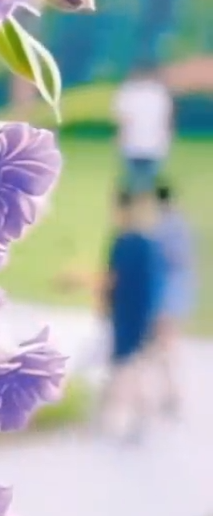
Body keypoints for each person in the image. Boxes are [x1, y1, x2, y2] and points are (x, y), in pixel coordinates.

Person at [99, 190, 166, 442]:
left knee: (124, 364)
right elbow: (153, 285)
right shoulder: (146, 243)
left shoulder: (124, 242)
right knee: (133, 362)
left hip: (126, 312)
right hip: (138, 312)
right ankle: (136, 412)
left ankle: (119, 414)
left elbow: (112, 279)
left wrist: (105, 305)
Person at [152, 182, 195, 415]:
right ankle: (170, 394)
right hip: (179, 294)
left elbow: (163, 261)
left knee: (163, 349)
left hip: (165, 297)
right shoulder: (182, 224)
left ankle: (170, 394)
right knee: (167, 348)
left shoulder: (161, 228)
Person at [112, 63, 173, 192]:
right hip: (153, 144)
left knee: (133, 180)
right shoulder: (159, 93)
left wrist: (119, 139)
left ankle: (134, 205)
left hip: (133, 144)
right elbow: (166, 121)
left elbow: (123, 120)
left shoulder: (128, 92)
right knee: (148, 180)